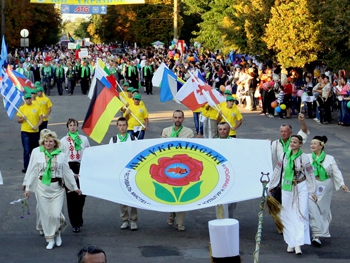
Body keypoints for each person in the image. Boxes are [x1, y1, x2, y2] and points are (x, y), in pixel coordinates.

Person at [23, 130, 82, 249]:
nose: (48, 144)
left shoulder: (61, 155)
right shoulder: (37, 152)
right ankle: (50, 239)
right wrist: (27, 187)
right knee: (46, 215)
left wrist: (75, 188)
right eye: (46, 141)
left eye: (51, 141)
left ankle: (58, 233)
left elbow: (67, 172)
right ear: (43, 142)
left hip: (57, 188)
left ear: (55, 143)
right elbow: (32, 170)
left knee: (55, 214)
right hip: (42, 188)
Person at [269, 135, 317, 255]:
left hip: (301, 186)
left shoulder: (304, 157)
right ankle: (290, 242)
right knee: (287, 213)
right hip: (287, 186)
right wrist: (271, 185)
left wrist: (313, 191)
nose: (292, 144)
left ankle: (298, 244)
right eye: (291, 142)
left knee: (301, 213)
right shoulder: (284, 156)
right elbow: (277, 171)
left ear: (300, 144)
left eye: (295, 142)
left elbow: (310, 175)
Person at [307, 136, 349, 246]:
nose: (312, 145)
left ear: (321, 145)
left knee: (323, 211)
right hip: (311, 186)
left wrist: (342, 184)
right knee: (313, 209)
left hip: (325, 186)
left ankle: (319, 234)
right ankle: (316, 235)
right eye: (311, 143)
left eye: (315, 143)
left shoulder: (330, 158)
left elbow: (336, 172)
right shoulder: (306, 157)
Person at [161, 110, 195, 231]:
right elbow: (161, 148)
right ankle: (171, 213)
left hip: (184, 168)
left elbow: (193, 150)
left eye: (180, 117)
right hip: (169, 167)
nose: (177, 120)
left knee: (182, 195)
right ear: (172, 118)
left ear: (183, 119)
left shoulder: (189, 132)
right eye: (175, 117)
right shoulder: (166, 132)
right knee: (171, 194)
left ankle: (180, 222)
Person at [60, 118, 90, 233]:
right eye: (70, 125)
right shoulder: (63, 141)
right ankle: (75, 223)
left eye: (74, 125)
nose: (72, 127)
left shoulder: (83, 139)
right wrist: (69, 173)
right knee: (71, 196)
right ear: (67, 127)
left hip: (81, 167)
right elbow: (62, 158)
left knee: (81, 196)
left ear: (77, 126)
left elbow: (88, 154)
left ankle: (79, 216)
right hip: (69, 168)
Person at [109, 117, 138, 230]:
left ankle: (134, 220)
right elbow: (110, 155)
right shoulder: (114, 140)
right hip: (119, 171)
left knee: (133, 195)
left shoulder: (132, 138)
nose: (122, 127)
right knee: (121, 197)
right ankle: (125, 219)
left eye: (124, 125)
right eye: (120, 125)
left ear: (127, 126)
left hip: (130, 171)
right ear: (117, 126)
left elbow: (137, 154)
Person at [216, 122, 237, 218]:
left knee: (232, 202)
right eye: (220, 129)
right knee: (219, 201)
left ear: (229, 130)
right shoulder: (213, 142)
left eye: (225, 129)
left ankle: (230, 221)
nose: (222, 131)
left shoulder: (235, 142)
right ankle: (220, 222)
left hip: (232, 175)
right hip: (218, 176)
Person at [17, 93, 43, 173]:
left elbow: (41, 119)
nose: (28, 100)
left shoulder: (37, 107)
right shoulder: (22, 108)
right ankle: (27, 167)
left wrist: (37, 126)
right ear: (25, 99)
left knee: (34, 150)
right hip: (25, 131)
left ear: (31, 99)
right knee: (27, 149)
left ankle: (35, 165)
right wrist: (22, 119)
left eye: (29, 98)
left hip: (34, 131)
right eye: (27, 99)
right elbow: (18, 120)